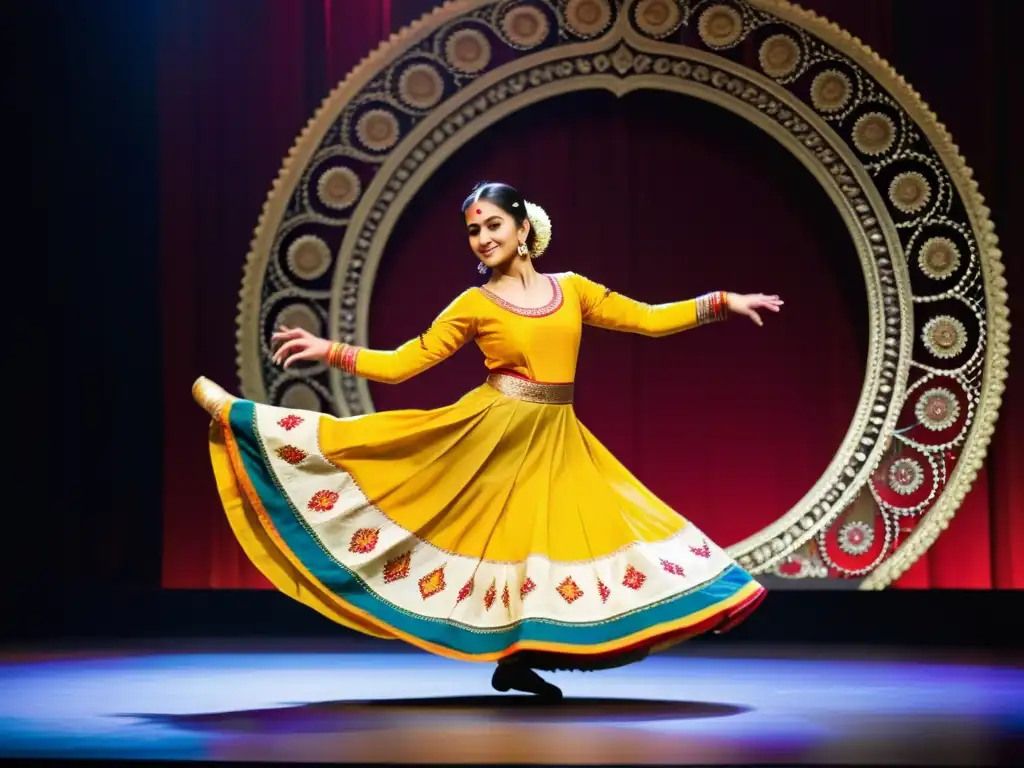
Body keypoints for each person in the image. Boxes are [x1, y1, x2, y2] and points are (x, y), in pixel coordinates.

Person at [193, 181, 782, 700]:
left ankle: (519, 659)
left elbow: (648, 319)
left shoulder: (572, 289)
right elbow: (405, 364)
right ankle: (246, 418)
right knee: (412, 479)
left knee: (585, 536)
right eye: (473, 230)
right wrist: (331, 350)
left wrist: (723, 303)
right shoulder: (474, 304)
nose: (482, 237)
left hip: (556, 438)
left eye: (493, 225)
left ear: (524, 227)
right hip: (491, 436)